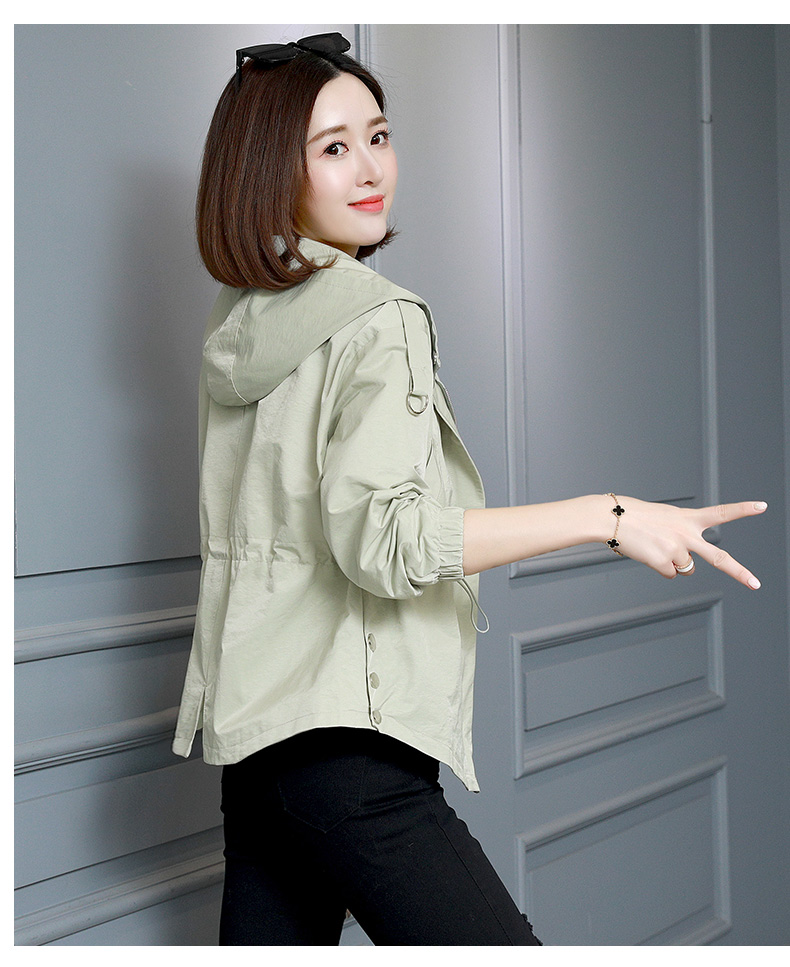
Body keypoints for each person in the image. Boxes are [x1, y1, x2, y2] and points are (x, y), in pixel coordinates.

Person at [172, 33, 766, 946]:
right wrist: (607, 515)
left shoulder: (239, 324)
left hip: (256, 751)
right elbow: (386, 542)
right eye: (333, 148)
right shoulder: (379, 321)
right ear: (269, 172)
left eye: (378, 136)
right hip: (351, 754)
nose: (371, 169)